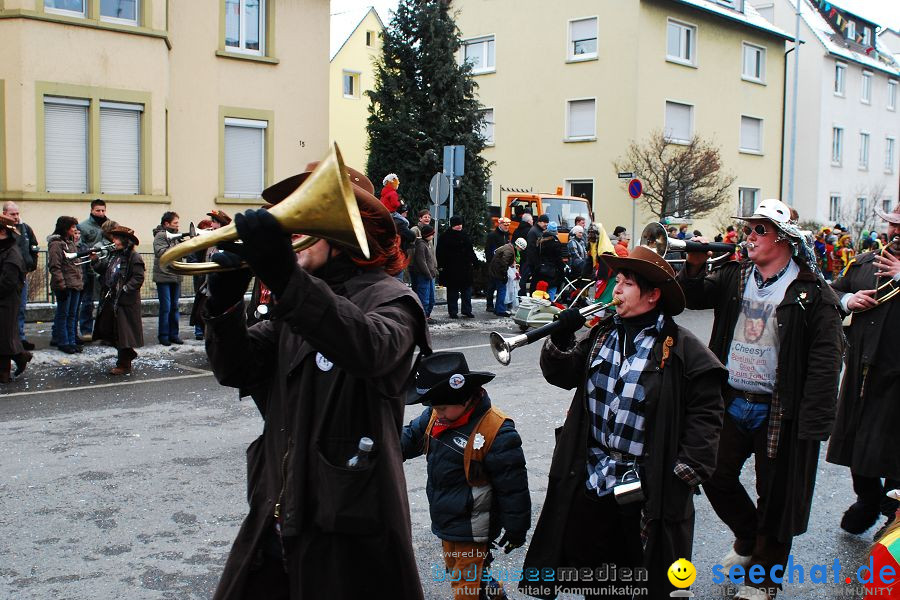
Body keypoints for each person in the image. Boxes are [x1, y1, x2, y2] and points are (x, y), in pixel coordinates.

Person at [201, 161, 430, 600]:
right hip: (278, 511)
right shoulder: (299, 298)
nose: (292, 232)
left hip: (348, 524)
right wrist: (224, 307)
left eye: (305, 221)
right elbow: (238, 369)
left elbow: (368, 347)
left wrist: (287, 278)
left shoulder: (393, 300)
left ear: (346, 233)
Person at [520, 246, 725, 599]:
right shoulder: (602, 334)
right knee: (597, 578)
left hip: (646, 487)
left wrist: (681, 475)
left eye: (627, 283)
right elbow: (563, 375)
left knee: (643, 577)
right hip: (594, 477)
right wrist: (561, 335)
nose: (616, 290)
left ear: (653, 294)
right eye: (617, 280)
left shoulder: (683, 349)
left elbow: (707, 418)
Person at [676, 198, 843, 600]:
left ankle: (765, 578)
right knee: (712, 472)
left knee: (779, 496)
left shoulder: (811, 291)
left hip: (779, 408)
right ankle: (750, 537)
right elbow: (692, 296)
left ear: (783, 239)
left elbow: (827, 357)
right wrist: (696, 262)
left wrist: (814, 420)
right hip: (732, 398)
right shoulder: (736, 276)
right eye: (749, 229)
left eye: (759, 230)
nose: (749, 237)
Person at [402, 351, 530, 600]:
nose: (437, 413)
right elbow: (409, 438)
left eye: (442, 407)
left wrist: (516, 528)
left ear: (464, 397)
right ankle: (493, 595)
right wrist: (384, 450)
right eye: (433, 407)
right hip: (446, 520)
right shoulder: (434, 417)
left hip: (474, 527)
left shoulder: (496, 432)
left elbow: (513, 487)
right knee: (464, 575)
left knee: (465, 589)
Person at [827, 203, 900, 538]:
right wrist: (849, 300)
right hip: (862, 370)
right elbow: (832, 289)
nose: (895, 232)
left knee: (894, 446)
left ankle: (892, 512)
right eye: (893, 225)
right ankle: (868, 500)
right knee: (857, 441)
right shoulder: (865, 262)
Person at [93, 226, 145, 376]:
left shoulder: (134, 257)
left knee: (122, 333)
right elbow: (106, 271)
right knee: (106, 329)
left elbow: (138, 278)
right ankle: (128, 353)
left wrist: (125, 289)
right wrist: (95, 261)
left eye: (116, 238)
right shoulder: (115, 255)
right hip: (111, 298)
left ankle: (124, 363)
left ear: (124, 241)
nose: (113, 241)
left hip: (125, 301)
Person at [0, 214, 32, 383]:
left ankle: (4, 373)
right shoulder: (3, 248)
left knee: (4, 337)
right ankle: (21, 357)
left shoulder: (12, 252)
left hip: (6, 301)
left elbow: (8, 282)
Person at [190, 211, 231, 341]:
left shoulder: (227, 242)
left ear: (221, 225)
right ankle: (212, 346)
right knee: (202, 316)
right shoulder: (210, 242)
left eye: (214, 222)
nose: (211, 225)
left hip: (221, 288)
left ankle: (218, 347)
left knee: (217, 320)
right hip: (207, 286)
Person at [2, 202, 38, 350]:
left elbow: (33, 247)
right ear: (5, 214)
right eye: (12, 214)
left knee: (20, 307)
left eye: (17, 213)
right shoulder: (4, 230)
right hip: (7, 275)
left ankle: (20, 337)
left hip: (22, 274)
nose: (16, 217)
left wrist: (32, 264)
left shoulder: (25, 228)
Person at [48, 216, 85, 355]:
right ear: (65, 228)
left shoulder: (70, 242)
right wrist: (61, 285)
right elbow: (55, 266)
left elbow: (75, 263)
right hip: (65, 285)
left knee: (72, 314)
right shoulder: (56, 244)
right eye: (72, 227)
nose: (75, 230)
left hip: (75, 283)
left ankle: (71, 341)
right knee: (63, 314)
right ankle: (63, 342)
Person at [77, 199, 108, 341]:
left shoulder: (110, 225)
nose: (101, 213)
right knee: (87, 303)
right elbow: (80, 247)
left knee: (106, 303)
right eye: (98, 210)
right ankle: (86, 331)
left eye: (103, 210)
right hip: (89, 270)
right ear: (92, 210)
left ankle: (103, 331)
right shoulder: (83, 226)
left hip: (106, 269)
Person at [152, 211, 185, 346]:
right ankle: (163, 335)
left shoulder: (176, 236)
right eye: (175, 223)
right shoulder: (160, 236)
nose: (178, 225)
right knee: (166, 307)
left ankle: (174, 334)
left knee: (175, 307)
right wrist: (178, 246)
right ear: (167, 224)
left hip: (175, 275)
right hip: (164, 275)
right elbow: (160, 252)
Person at [437, 215, 478, 319]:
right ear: (452, 225)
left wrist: (475, 261)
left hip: (465, 268)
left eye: (460, 224)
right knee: (453, 292)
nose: (459, 226)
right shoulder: (445, 237)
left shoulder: (465, 235)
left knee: (467, 292)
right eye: (457, 225)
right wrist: (441, 266)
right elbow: (440, 253)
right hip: (452, 269)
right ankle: (453, 312)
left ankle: (467, 310)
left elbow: (470, 250)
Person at [490, 237, 526, 317]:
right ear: (519, 246)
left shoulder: (508, 247)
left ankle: (497, 309)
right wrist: (504, 275)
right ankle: (500, 310)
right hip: (498, 272)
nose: (521, 251)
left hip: (495, 270)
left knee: (500, 290)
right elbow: (504, 262)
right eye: (521, 249)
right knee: (502, 290)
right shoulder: (510, 251)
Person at [409, 224, 438, 321]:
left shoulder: (428, 244)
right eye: (432, 234)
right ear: (427, 235)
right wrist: (428, 274)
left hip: (429, 275)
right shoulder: (421, 245)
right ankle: (423, 316)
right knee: (424, 298)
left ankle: (427, 315)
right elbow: (422, 262)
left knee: (431, 298)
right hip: (424, 275)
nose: (433, 236)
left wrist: (434, 270)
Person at [533, 221, 566, 299]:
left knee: (541, 290)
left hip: (541, 269)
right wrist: (563, 269)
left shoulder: (540, 240)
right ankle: (549, 305)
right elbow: (558, 259)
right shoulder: (556, 243)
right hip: (552, 271)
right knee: (551, 289)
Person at [485, 217, 511, 312]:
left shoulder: (506, 235)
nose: (507, 227)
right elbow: (488, 250)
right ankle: (489, 305)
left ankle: (498, 306)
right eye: (505, 225)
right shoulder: (492, 236)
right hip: (493, 264)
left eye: (508, 225)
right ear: (500, 224)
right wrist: (491, 263)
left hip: (502, 264)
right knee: (491, 285)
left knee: (500, 285)